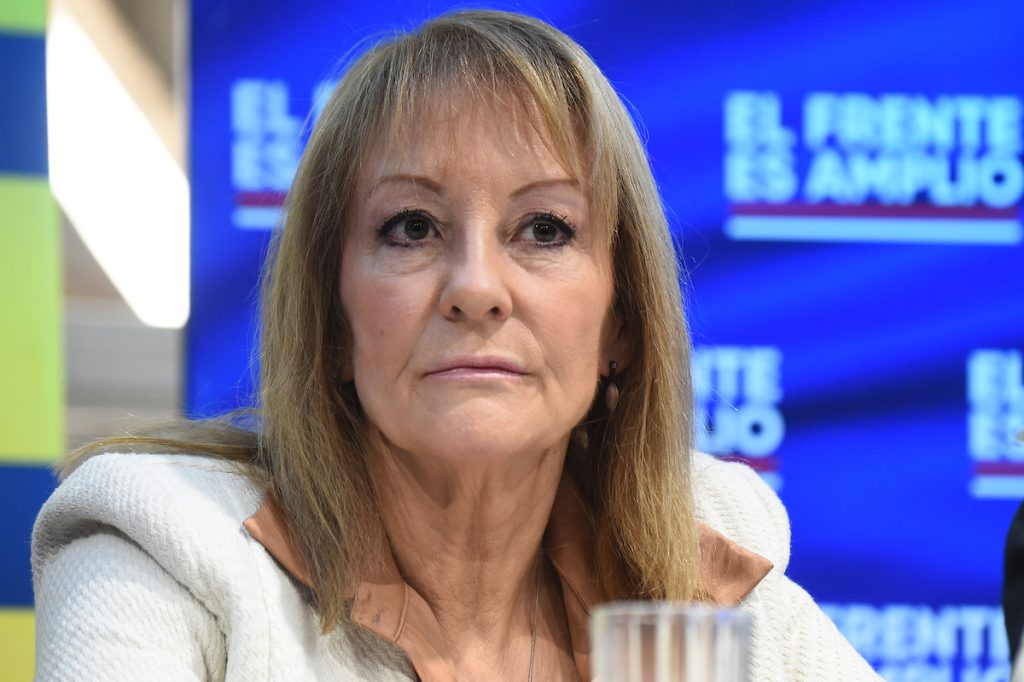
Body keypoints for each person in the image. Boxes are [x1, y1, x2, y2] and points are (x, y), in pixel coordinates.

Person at [32, 9, 879, 681]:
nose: (476, 287)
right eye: (412, 227)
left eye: (544, 229)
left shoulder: (700, 560)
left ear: (621, 324)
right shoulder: (164, 540)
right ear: (332, 321)